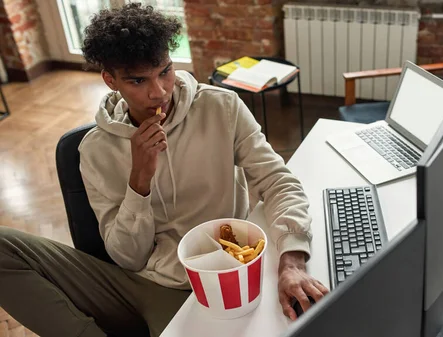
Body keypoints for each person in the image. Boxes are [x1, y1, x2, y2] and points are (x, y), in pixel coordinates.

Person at [0, 3, 328, 337]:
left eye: (165, 71)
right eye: (138, 80)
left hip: (229, 273)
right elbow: (128, 258)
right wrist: (139, 181)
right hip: (147, 284)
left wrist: (292, 262)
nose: (158, 92)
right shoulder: (95, 150)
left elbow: (278, 183)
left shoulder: (222, 107)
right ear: (110, 80)